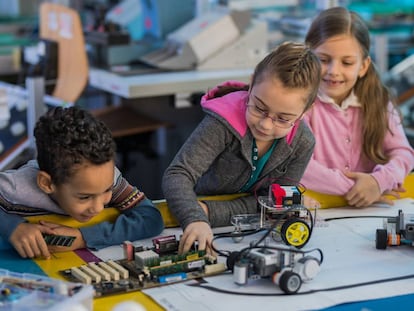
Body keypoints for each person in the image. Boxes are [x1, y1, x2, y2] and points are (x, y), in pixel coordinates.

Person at [162, 42, 321, 254]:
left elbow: (276, 205)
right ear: (253, 80)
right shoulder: (221, 123)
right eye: (259, 108)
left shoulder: (303, 142)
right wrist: (195, 217)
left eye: (283, 119)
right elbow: (177, 174)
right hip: (195, 222)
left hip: (244, 230)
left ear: (305, 112)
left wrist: (211, 212)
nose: (265, 124)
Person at [0, 106, 164, 259]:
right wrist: (12, 227)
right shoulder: (14, 187)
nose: (98, 207)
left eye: (107, 191)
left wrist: (83, 237)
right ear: (47, 183)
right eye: (85, 197)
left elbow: (151, 219)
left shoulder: (106, 175)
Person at [300, 7, 414, 207]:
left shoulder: (379, 102)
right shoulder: (298, 105)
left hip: (368, 208)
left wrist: (379, 181)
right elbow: (300, 165)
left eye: (347, 62)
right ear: (308, 58)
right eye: (323, 60)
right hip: (319, 208)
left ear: (363, 66)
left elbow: (403, 153)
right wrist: (360, 188)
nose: (334, 71)